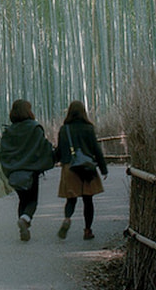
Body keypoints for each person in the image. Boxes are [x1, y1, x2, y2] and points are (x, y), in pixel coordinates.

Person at [0, 99, 55, 241]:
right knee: (32, 201)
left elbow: (2, 152)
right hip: (31, 171)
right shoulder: (35, 128)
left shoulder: (8, 131)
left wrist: (9, 169)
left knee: (22, 200)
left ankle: (22, 226)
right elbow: (43, 148)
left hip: (14, 173)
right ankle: (25, 219)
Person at [54, 100, 107, 240]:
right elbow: (96, 150)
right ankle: (88, 230)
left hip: (69, 168)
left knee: (71, 200)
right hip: (87, 167)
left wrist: (51, 160)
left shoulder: (64, 129)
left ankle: (67, 219)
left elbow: (59, 151)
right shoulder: (88, 128)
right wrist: (103, 168)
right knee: (88, 200)